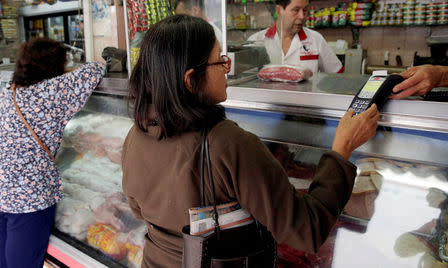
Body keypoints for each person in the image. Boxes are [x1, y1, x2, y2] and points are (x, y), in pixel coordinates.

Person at [121, 14, 379, 267]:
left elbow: (139, 210)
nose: (226, 68)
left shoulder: (136, 135)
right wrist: (342, 149)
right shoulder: (227, 144)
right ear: (191, 80)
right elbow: (307, 229)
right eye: (219, 61)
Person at [0, 38, 105, 267]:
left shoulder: (9, 91)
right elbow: (95, 69)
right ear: (53, 66)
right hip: (29, 198)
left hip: (4, 192)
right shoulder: (51, 92)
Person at [248, 0, 344, 75]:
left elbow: (337, 75)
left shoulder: (316, 39)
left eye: (305, 10)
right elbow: (245, 82)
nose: (302, 16)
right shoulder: (256, 41)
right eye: (296, 10)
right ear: (278, 11)